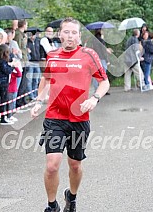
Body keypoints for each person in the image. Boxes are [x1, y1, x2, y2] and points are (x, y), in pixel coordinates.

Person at [31, 17, 110, 212]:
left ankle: (71, 197)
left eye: (74, 33)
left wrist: (95, 98)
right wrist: (39, 101)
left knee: (75, 165)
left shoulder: (87, 55)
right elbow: (46, 80)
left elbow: (104, 81)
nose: (70, 36)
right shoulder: (52, 56)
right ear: (60, 34)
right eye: (66, 32)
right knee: (52, 165)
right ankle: (52, 206)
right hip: (55, 118)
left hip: (79, 119)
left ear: (79, 36)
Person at [0, 44, 16, 125]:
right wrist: (12, 67)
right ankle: (3, 118)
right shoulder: (2, 61)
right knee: (4, 99)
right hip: (3, 83)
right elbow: (7, 70)